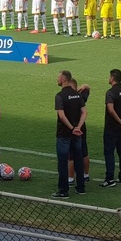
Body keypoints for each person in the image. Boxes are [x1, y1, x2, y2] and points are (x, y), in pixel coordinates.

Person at [53, 70, 87, 198]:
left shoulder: (60, 96)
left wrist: (72, 128)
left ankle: (63, 191)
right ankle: (81, 188)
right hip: (77, 134)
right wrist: (78, 127)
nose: (57, 79)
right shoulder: (77, 95)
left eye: (58, 77)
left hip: (64, 134)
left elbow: (61, 116)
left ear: (63, 79)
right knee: (78, 159)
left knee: (63, 162)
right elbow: (84, 112)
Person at [101, 69, 121, 188]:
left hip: (112, 127)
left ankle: (110, 179)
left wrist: (120, 121)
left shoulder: (110, 92)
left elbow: (111, 109)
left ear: (112, 78)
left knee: (109, 152)